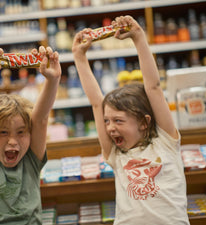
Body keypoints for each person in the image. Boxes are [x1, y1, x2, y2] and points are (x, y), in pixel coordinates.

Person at [72, 15, 190, 225]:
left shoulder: (165, 142)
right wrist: (79, 57)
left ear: (144, 122)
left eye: (118, 121)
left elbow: (153, 88)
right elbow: (97, 104)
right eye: (107, 121)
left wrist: (138, 38)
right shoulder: (116, 154)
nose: (110, 128)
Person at [0, 46, 61, 224]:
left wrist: (53, 79)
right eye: (3, 132)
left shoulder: (31, 159)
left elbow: (40, 120)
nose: (13, 141)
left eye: (21, 132)